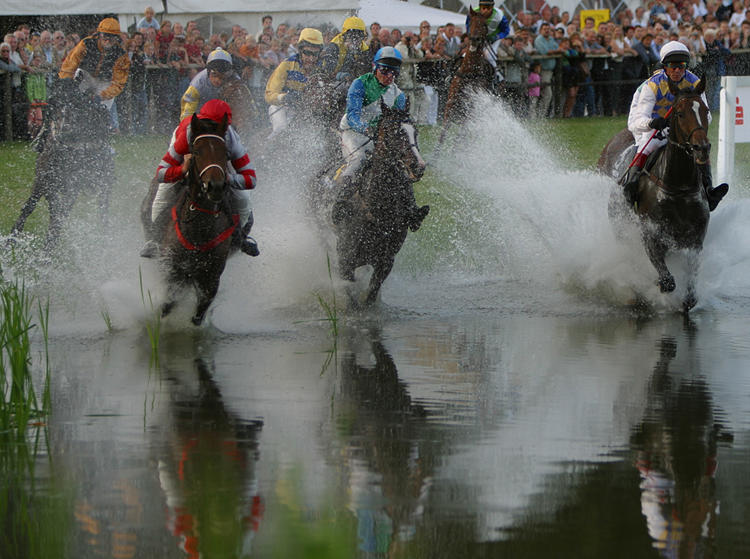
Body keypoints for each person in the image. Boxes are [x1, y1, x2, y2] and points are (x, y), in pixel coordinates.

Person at [141, 99, 259, 258]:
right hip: (190, 153)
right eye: (206, 124)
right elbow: (161, 173)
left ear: (225, 127)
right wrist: (182, 170)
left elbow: (251, 180)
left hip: (217, 158)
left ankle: (241, 238)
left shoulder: (232, 139)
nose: (210, 130)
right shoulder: (186, 134)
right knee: (162, 193)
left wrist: (228, 178)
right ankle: (154, 241)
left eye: (217, 128)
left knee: (243, 198)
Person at [622, 41, 728, 211]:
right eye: (673, 66)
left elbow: (706, 114)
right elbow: (635, 122)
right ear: (665, 66)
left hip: (681, 124)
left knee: (700, 146)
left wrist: (690, 127)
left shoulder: (694, 83)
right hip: (653, 123)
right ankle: (631, 186)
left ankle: (709, 190)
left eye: (681, 65)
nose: (677, 70)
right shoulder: (652, 85)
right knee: (650, 143)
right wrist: (651, 123)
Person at [334, 46, 429, 232]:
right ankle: (341, 201)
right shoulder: (359, 84)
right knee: (359, 159)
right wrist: (367, 129)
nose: (389, 76)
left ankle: (412, 210)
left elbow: (401, 122)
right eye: (384, 70)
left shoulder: (399, 96)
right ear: (374, 67)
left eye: (393, 72)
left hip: (381, 137)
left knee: (397, 166)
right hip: (353, 133)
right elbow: (352, 115)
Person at [58, 18, 131, 108]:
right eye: (105, 36)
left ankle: (105, 118)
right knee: (70, 96)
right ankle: (67, 116)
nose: (107, 41)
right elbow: (70, 64)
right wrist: (66, 82)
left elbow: (118, 83)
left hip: (105, 82)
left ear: (116, 38)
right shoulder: (86, 43)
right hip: (87, 76)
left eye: (111, 38)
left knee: (103, 110)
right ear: (99, 35)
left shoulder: (121, 54)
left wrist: (101, 96)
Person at [264, 27, 324, 137]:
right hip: (281, 107)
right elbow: (269, 94)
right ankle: (270, 148)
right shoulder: (286, 65)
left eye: (314, 54)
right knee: (281, 129)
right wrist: (284, 97)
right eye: (307, 53)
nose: (310, 58)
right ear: (300, 50)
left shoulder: (323, 68)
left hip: (305, 110)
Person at [180, 48, 239, 120]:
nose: (218, 80)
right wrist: (188, 125)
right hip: (198, 117)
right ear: (208, 71)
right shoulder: (198, 84)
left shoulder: (235, 80)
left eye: (222, 77)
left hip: (222, 117)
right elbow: (187, 111)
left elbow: (245, 103)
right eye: (214, 75)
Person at [320, 16, 370, 83]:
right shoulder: (334, 46)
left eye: (358, 37)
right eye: (351, 37)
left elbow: (367, 72)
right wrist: (338, 76)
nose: (354, 41)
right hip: (334, 81)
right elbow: (327, 72)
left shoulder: (364, 49)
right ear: (344, 35)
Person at [466, 0, 510, 70]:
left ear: (492, 7)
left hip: (494, 39)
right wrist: (471, 36)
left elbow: (506, 30)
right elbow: (468, 26)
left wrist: (496, 37)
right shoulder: (473, 13)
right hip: (478, 38)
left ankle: (496, 76)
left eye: (488, 8)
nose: (486, 10)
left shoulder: (499, 16)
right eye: (483, 8)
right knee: (466, 55)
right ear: (480, 7)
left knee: (489, 57)